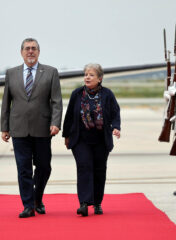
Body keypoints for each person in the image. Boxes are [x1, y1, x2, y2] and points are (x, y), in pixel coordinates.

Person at [0, 38, 62, 218]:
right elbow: (6, 102)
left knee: (44, 166)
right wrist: (4, 127)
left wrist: (56, 123)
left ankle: (37, 198)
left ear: (39, 52)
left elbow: (56, 101)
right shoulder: (11, 73)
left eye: (34, 48)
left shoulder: (50, 72)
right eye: (27, 48)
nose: (30, 52)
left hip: (43, 128)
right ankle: (28, 206)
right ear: (21, 52)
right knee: (23, 168)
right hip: (18, 128)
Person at [62, 63, 121, 217]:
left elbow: (115, 113)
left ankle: (97, 202)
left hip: (101, 139)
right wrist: (66, 135)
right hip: (81, 139)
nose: (87, 77)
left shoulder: (108, 94)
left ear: (99, 79)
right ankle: (84, 203)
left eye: (91, 75)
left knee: (99, 171)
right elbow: (69, 116)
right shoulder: (77, 94)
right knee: (84, 167)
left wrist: (116, 127)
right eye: (86, 74)